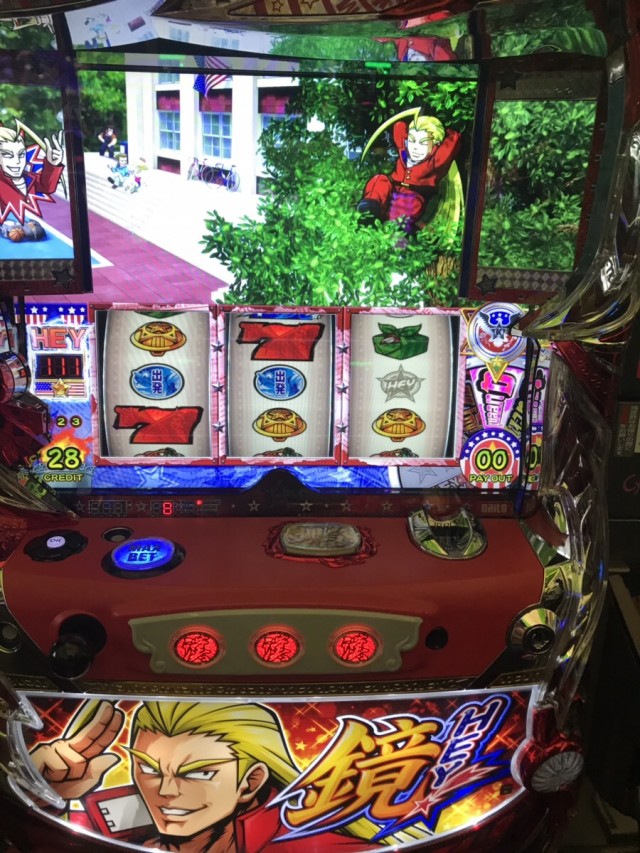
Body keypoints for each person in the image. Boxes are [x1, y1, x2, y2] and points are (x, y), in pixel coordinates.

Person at [29, 699, 378, 852]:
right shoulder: (121, 820)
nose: (166, 791)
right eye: (149, 768)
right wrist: (42, 793)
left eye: (197, 773)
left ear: (251, 782)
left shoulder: (316, 847)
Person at [357, 113, 461, 236]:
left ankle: (395, 227)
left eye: (423, 143)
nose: (415, 147)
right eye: (412, 141)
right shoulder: (404, 150)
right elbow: (399, 126)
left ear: (436, 145)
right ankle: (369, 209)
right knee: (379, 180)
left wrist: (447, 130)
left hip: (414, 193)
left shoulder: (435, 162)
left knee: (408, 204)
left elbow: (453, 141)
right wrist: (413, 118)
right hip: (393, 186)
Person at [0, 119, 64, 227]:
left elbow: (47, 187)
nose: (17, 161)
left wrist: (52, 164)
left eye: (21, 155)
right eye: (8, 155)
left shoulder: (28, 177)